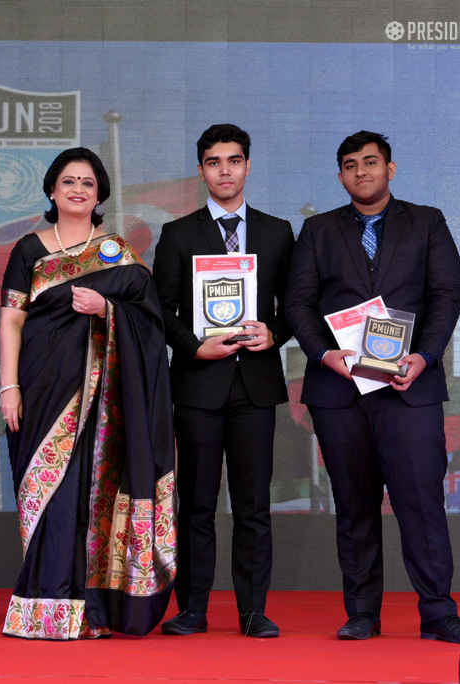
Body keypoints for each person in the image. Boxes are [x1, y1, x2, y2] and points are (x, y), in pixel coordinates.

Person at [286, 131, 460, 643]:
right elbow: (297, 303)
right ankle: (362, 612)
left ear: (391, 168)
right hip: (339, 390)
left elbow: (446, 294)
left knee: (421, 503)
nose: (361, 171)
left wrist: (424, 356)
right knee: (354, 505)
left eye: (370, 162)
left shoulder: (427, 222)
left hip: (409, 388)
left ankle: (438, 612)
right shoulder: (318, 230)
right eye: (350, 165)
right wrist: (324, 355)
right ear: (340, 176)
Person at [0, 147, 176, 640]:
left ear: (100, 196)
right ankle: (45, 604)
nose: (78, 189)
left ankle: (93, 610)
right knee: (47, 494)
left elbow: (151, 323)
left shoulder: (120, 253)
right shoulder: (29, 249)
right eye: (69, 181)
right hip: (41, 389)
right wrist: (9, 386)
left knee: (91, 496)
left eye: (88, 183)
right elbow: (11, 320)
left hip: (105, 401)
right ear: (52, 190)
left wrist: (108, 308)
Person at [151, 124, 294, 638]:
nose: (225, 171)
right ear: (201, 170)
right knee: (197, 505)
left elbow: (295, 306)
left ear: (248, 166)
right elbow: (159, 310)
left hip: (255, 385)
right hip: (198, 385)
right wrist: (195, 346)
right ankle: (192, 608)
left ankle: (253, 610)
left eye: (234, 161)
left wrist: (274, 333)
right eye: (214, 162)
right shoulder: (178, 234)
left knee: (254, 506)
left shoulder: (278, 232)